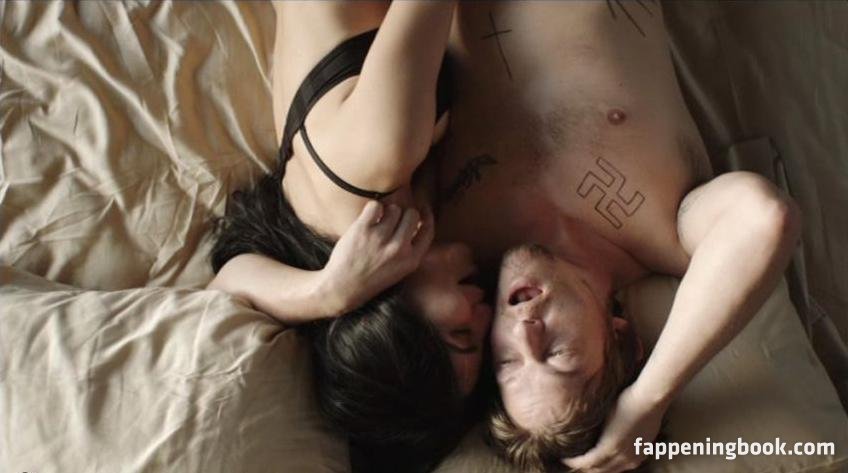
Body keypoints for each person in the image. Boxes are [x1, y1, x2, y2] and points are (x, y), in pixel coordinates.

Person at [430, 2, 801, 472]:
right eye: (557, 353)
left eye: (508, 362)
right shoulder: (667, 231)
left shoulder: (452, 248)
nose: (524, 330)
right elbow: (765, 217)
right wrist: (649, 399)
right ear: (620, 335)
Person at [206, 2, 491, 471]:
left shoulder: (381, 156)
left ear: (396, 331)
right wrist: (324, 291)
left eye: (461, 334)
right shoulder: (327, 224)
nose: (484, 315)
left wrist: (333, 291)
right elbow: (227, 285)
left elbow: (217, 295)